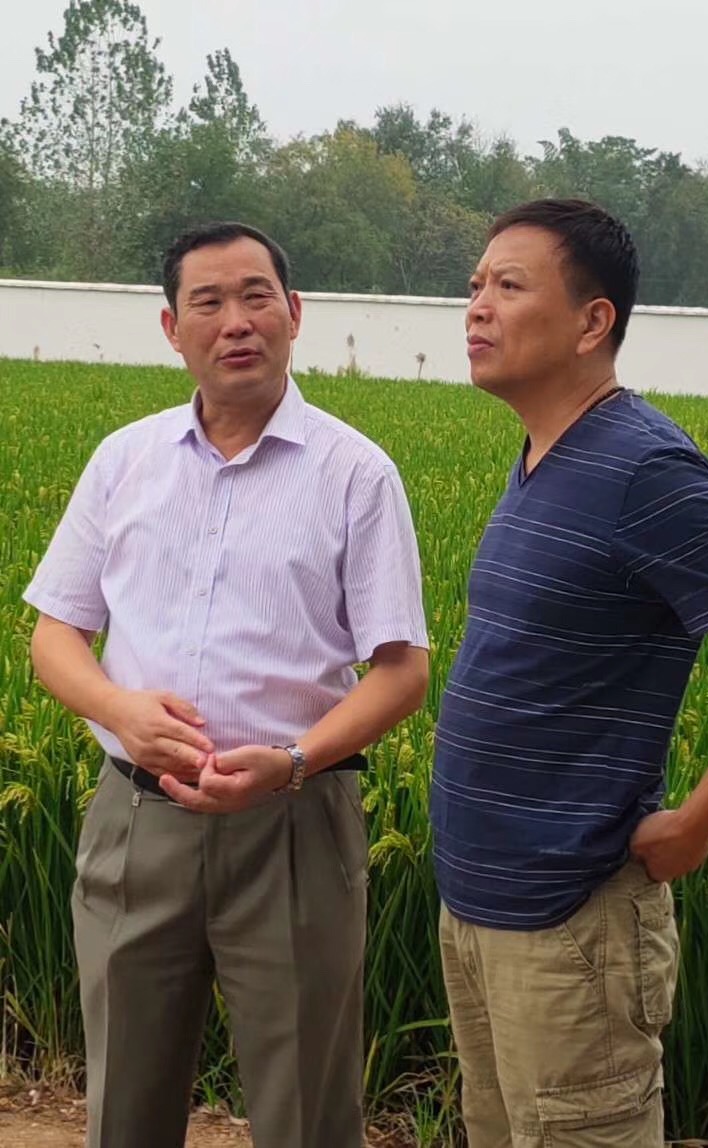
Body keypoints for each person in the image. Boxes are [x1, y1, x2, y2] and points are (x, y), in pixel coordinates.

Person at [431, 198, 708, 1147]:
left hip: (570, 925)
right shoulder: (547, 455)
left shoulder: (643, 468)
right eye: (475, 285)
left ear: (593, 321)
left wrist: (699, 820)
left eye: (509, 285)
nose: (477, 307)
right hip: (482, 911)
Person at [23, 221, 429, 1148]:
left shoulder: (356, 474)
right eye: (207, 302)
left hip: (293, 823)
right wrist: (119, 709)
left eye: (256, 297)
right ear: (174, 329)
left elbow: (402, 672)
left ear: (295, 313)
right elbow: (55, 634)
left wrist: (293, 759)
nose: (235, 321)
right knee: (124, 1105)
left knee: (306, 1112)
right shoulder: (124, 460)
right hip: (137, 820)